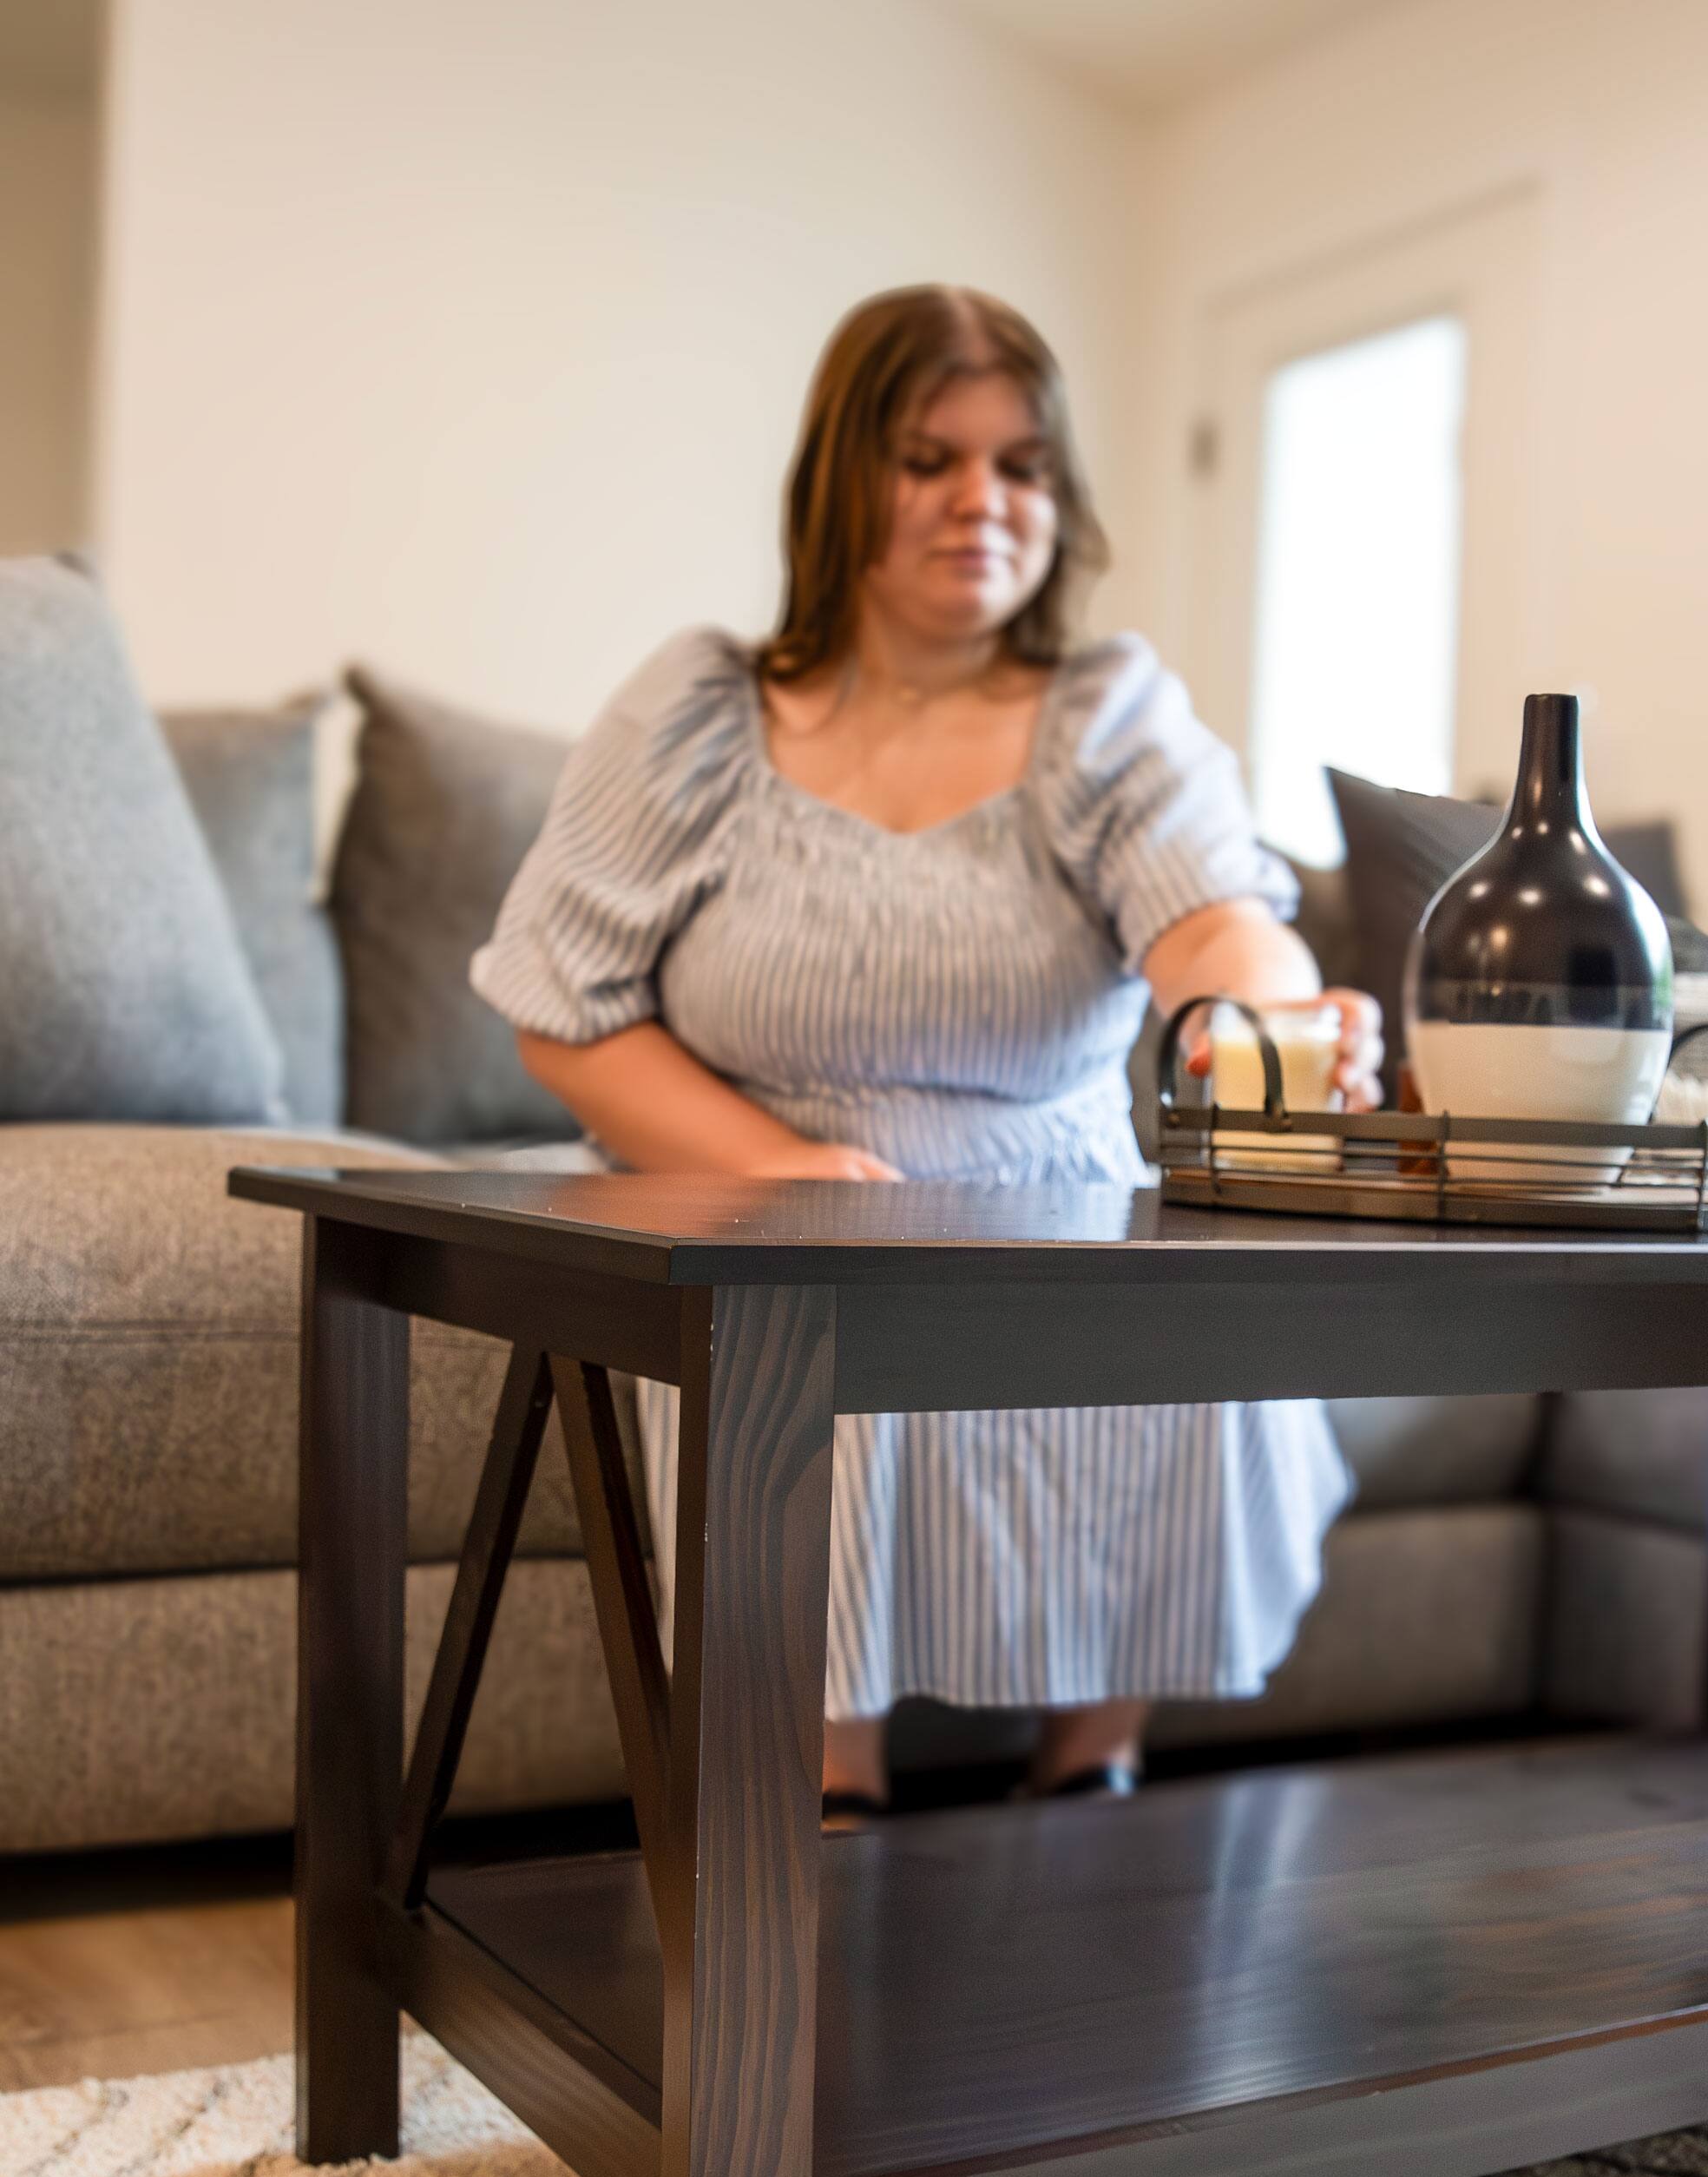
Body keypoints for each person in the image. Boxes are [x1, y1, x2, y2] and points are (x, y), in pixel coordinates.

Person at [471, 285, 1378, 1816]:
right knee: (838, 1294)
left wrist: (1253, 1026)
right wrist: (784, 1172)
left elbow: (1219, 921)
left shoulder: (1109, 716)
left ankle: (1094, 1772)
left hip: (1050, 1190)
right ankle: (830, 1796)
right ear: (844, 479)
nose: (984, 501)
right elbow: (562, 1006)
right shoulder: (697, 712)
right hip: (758, 1195)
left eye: (1022, 464)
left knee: (1194, 1307)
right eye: (929, 458)